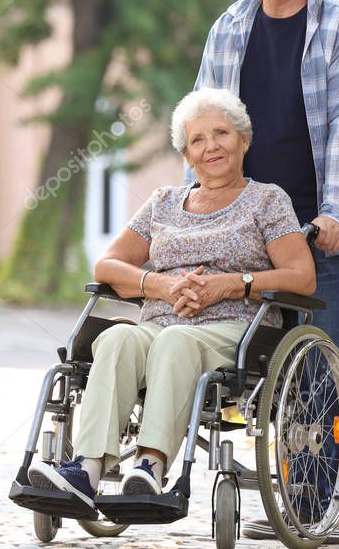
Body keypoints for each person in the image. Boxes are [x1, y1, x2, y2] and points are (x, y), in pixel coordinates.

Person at [186, 0, 339, 544]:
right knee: (254, 366)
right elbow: (204, 129)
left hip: (316, 225)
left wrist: (332, 212)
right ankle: (292, 497)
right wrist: (188, 219)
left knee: (325, 358)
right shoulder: (229, 28)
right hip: (245, 226)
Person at [27, 88, 316, 509]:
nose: (211, 146)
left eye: (221, 133)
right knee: (118, 339)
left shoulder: (267, 200)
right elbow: (107, 266)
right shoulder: (162, 202)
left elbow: (302, 276)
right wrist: (160, 285)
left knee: (176, 341)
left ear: (243, 140)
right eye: (197, 140)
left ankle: (150, 466)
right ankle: (86, 470)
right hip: (160, 320)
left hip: (235, 329)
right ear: (186, 154)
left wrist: (232, 283)